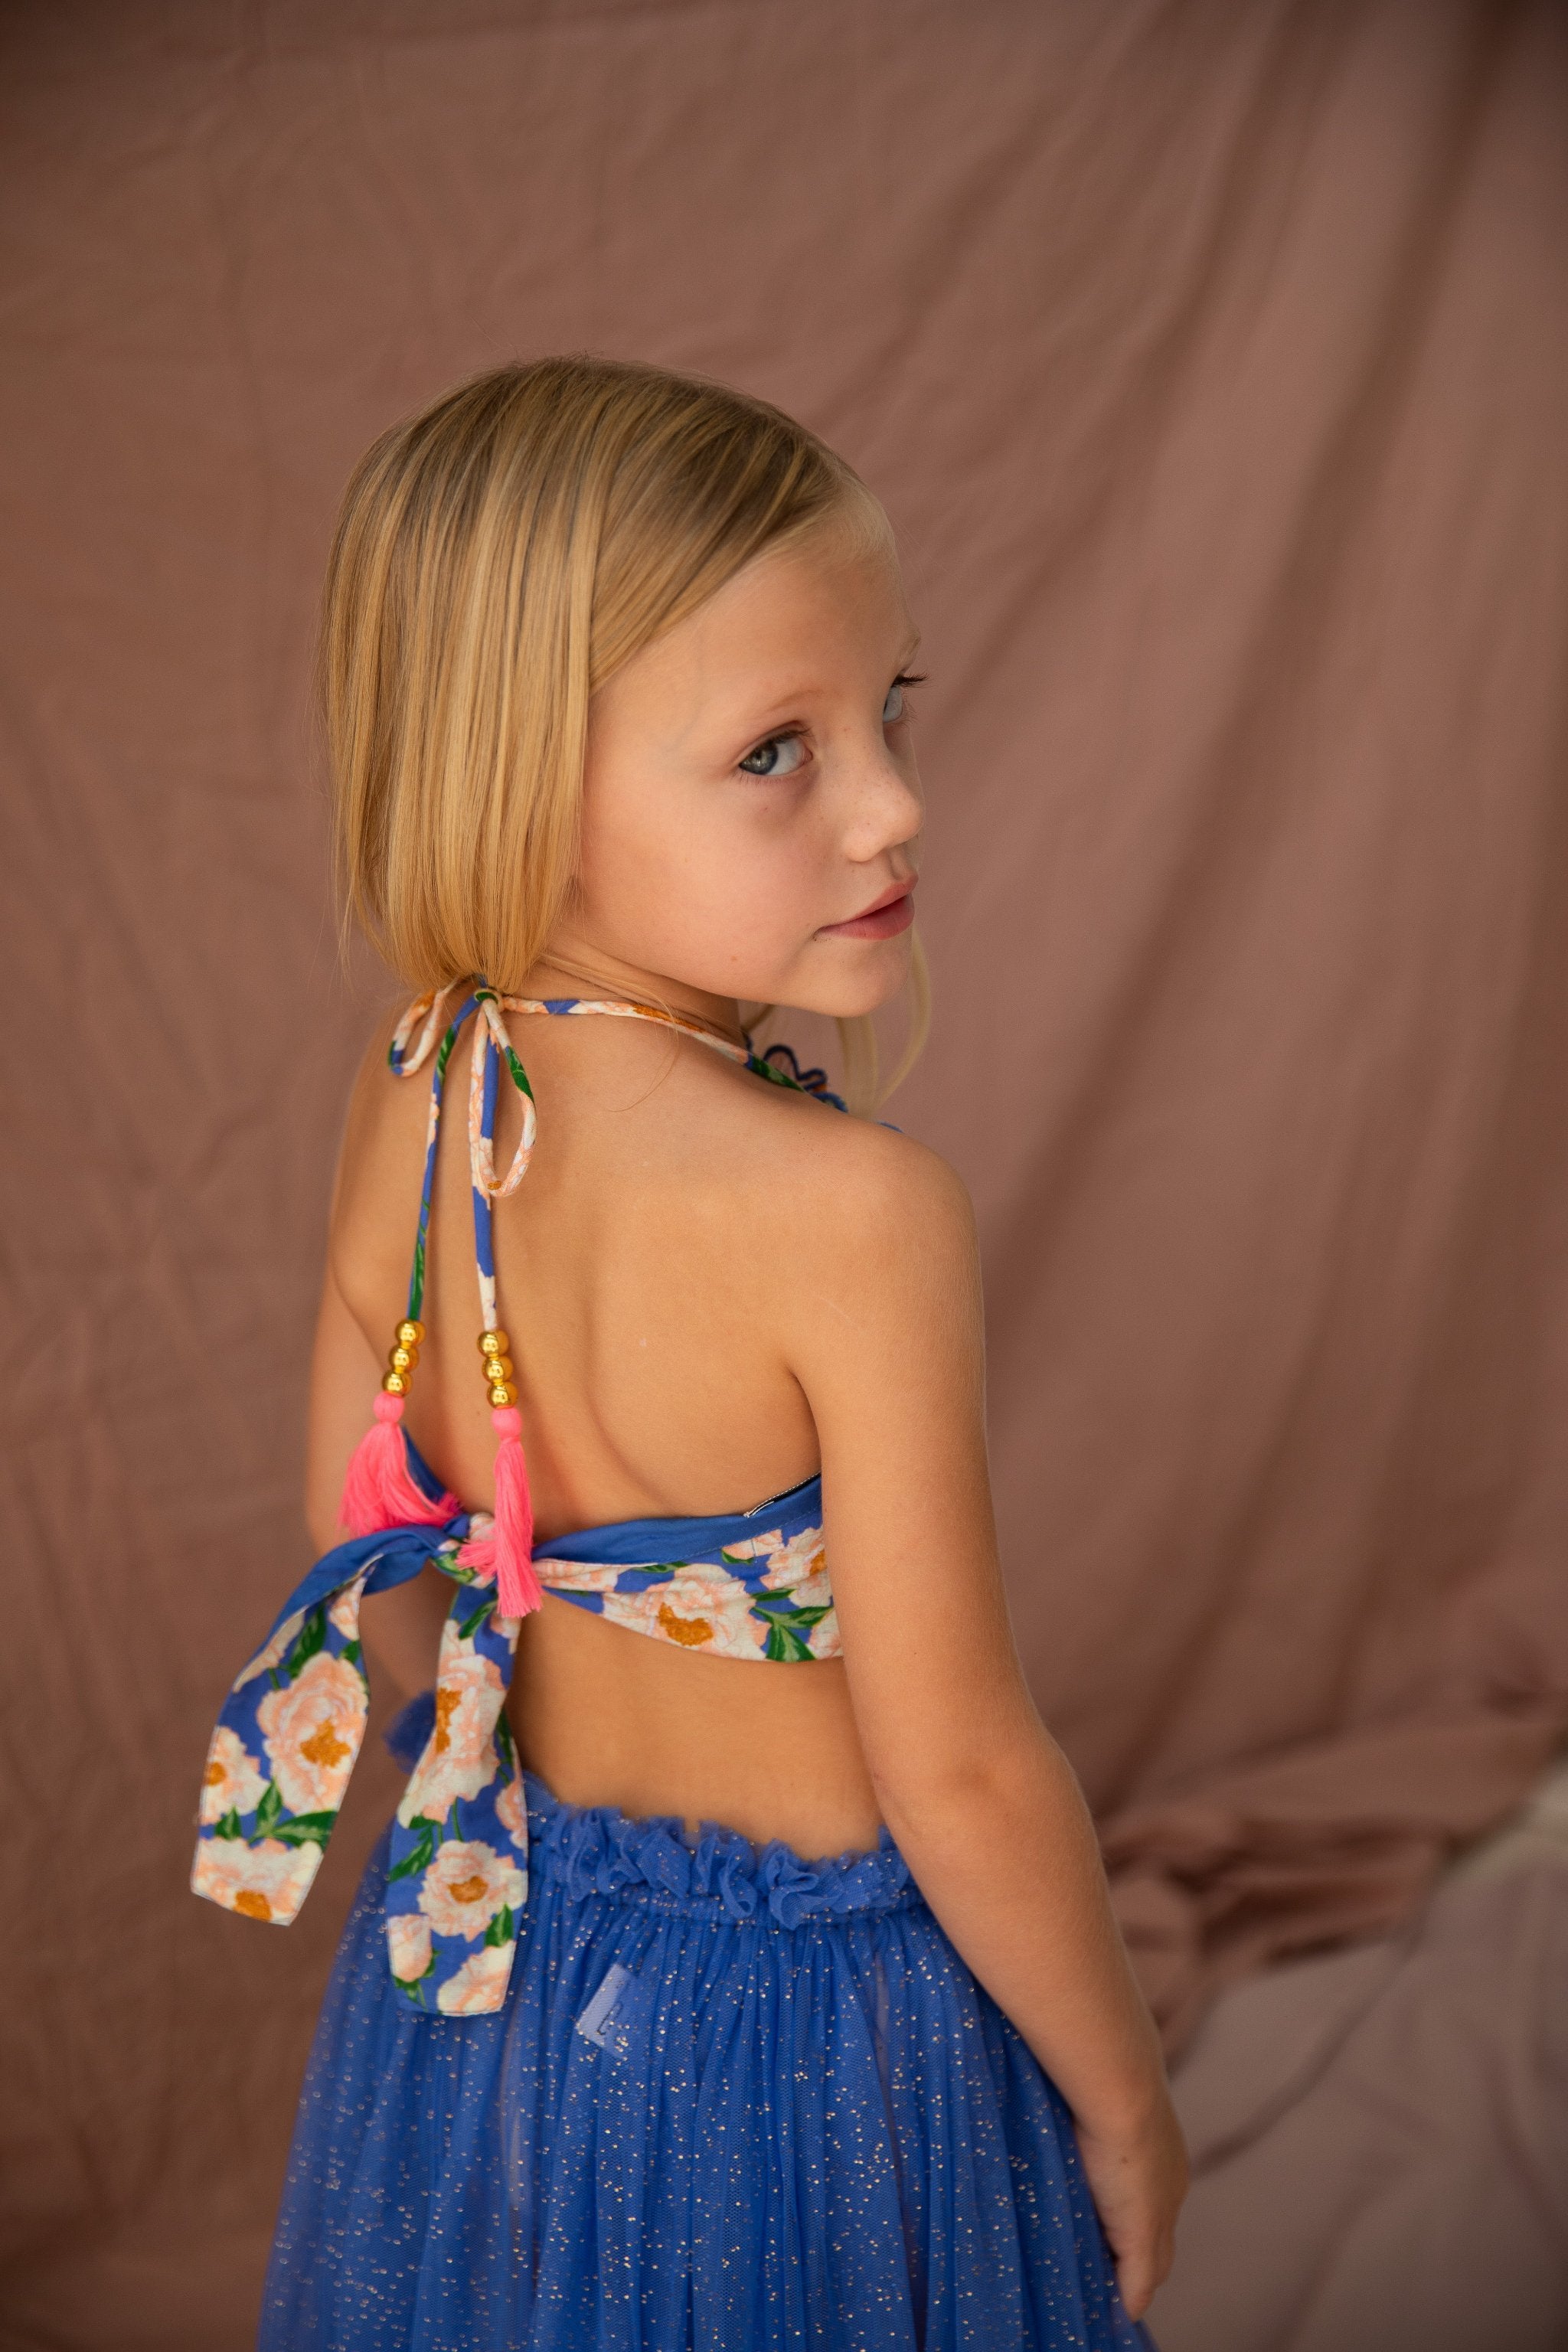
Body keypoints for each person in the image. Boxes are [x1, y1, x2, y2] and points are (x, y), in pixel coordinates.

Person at [192, 355, 1187, 2350]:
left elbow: (359, 1538)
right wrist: (1131, 2100)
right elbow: (968, 1770)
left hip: (512, 1963)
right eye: (777, 754)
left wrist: (495, 1792)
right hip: (828, 2029)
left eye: (889, 709)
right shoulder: (855, 1219)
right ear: (525, 797)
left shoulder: (422, 1086)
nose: (894, 801)